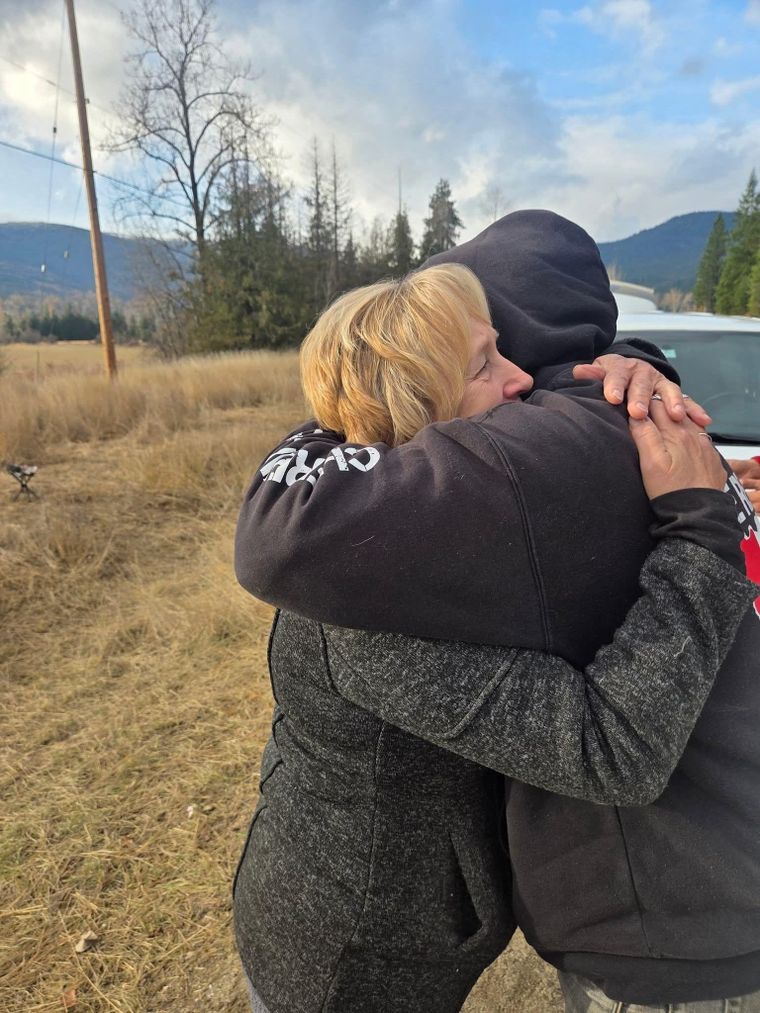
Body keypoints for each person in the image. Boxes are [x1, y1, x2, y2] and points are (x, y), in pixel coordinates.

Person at [234, 212, 760, 1012]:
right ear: (424, 413)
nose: (522, 380)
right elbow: (611, 750)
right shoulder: (376, 593)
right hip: (352, 952)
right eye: (487, 364)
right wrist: (697, 530)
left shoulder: (426, 511)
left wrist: (629, 359)